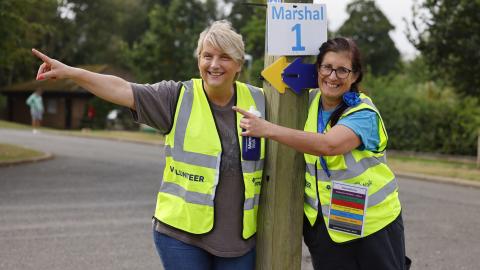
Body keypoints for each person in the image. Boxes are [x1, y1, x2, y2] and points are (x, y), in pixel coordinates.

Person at [32, 20, 265, 270]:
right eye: (207, 56)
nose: (214, 65)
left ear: (239, 63)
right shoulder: (176, 97)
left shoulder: (261, 101)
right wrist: (71, 72)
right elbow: (121, 89)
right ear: (198, 60)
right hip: (181, 237)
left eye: (225, 57)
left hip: (239, 241)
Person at [234, 37, 410, 270]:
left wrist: (267, 130)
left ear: (355, 75)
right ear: (318, 69)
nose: (332, 76)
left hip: (373, 226)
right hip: (327, 226)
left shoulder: (364, 112)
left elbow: (328, 145)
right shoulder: (305, 103)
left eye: (342, 70)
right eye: (327, 67)